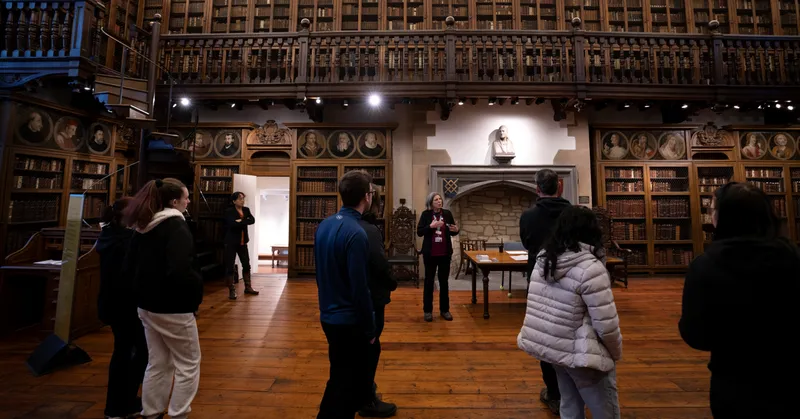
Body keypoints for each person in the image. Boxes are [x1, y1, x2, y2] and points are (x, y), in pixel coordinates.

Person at [679, 182, 800, 417]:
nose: (710, 215)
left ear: (725, 218)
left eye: (712, 210)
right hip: (790, 376)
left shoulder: (704, 266)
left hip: (734, 380)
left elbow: (696, 334)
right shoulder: (794, 259)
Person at [518, 206, 623, 419]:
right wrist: (616, 353)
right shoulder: (590, 268)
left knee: (570, 406)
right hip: (585, 353)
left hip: (557, 349)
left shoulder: (544, 261)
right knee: (606, 411)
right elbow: (606, 324)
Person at [122, 178, 203, 419]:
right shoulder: (175, 226)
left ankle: (152, 412)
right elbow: (181, 269)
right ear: (174, 201)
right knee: (188, 364)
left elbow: (128, 267)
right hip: (174, 306)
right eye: (186, 197)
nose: (189, 201)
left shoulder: (142, 226)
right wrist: (194, 297)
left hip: (147, 305)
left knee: (158, 362)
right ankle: (179, 414)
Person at [314, 170, 377, 419]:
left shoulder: (325, 225)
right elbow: (359, 288)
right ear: (366, 197)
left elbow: (320, 275)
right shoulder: (357, 233)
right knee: (346, 387)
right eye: (371, 192)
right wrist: (370, 329)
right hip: (349, 321)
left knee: (339, 376)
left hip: (328, 315)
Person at [518, 168, 572, 415]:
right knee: (572, 331)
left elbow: (528, 244)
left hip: (541, 281)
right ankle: (573, 389)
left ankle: (553, 392)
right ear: (559, 186)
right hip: (573, 281)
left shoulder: (529, 216)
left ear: (537, 188)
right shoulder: (575, 214)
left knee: (545, 335)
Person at [97, 197, 147, 419]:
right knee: (138, 352)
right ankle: (121, 404)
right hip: (127, 303)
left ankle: (118, 404)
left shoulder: (108, 235)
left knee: (123, 351)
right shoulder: (128, 240)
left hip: (112, 302)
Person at [357, 184, 398, 418]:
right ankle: (366, 399)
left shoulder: (334, 224)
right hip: (371, 298)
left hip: (344, 301)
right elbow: (380, 265)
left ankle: (363, 392)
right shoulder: (370, 229)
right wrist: (393, 282)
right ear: (370, 200)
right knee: (371, 346)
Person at [416, 192, 459, 322]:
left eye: (440, 199)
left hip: (445, 254)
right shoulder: (426, 215)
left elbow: (452, 231)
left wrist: (456, 230)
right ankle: (428, 311)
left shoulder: (447, 214)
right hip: (430, 254)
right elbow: (419, 232)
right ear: (430, 202)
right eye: (436, 200)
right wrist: (431, 226)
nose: (439, 201)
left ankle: (445, 310)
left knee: (444, 282)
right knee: (429, 282)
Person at [223, 191, 259, 300]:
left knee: (246, 264)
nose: (242, 201)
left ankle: (248, 287)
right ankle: (232, 290)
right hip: (231, 242)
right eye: (240, 199)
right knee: (230, 265)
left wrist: (241, 221)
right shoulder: (229, 211)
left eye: (243, 198)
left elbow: (252, 220)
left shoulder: (246, 210)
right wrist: (244, 221)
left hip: (243, 242)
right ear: (234, 201)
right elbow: (232, 224)